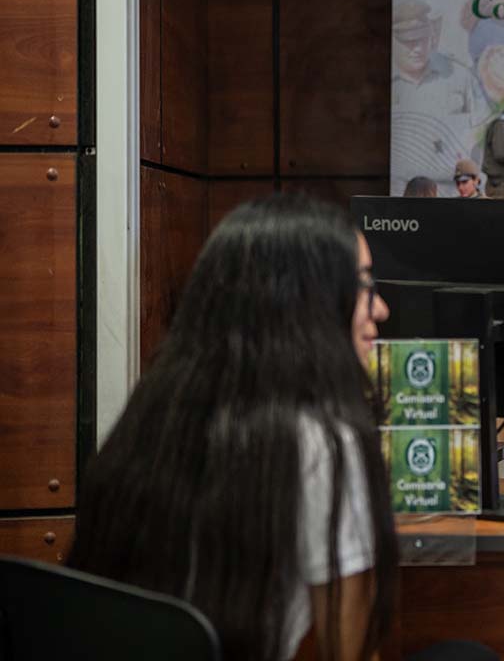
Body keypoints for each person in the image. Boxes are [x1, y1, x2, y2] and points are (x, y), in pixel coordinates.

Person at [68, 194, 398, 661]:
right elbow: (351, 654)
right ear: (310, 303)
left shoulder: (146, 420)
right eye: (364, 287)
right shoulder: (322, 446)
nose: (380, 308)